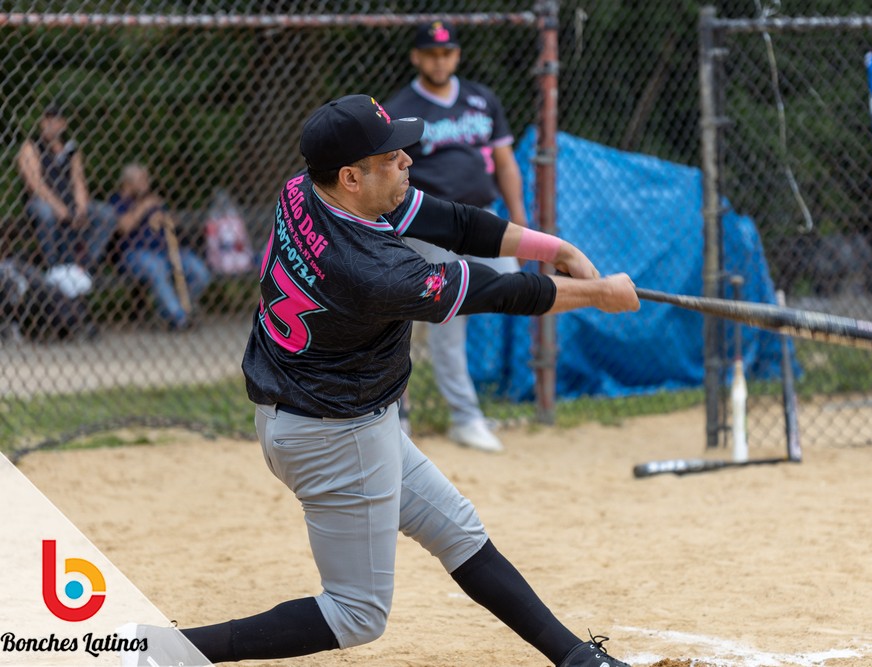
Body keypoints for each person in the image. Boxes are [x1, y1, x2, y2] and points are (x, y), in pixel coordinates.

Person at [119, 94, 636, 667]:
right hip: (335, 435)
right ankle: (165, 651)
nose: (408, 161)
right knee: (357, 613)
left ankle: (575, 658)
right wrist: (599, 294)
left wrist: (556, 248)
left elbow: (454, 222)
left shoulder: (303, 190)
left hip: (318, 414)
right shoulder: (375, 269)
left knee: (458, 531)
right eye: (391, 157)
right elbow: (499, 291)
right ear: (351, 176)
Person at [383, 20, 530, 453]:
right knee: (446, 320)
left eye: (446, 53)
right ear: (416, 57)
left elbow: (505, 163)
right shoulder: (400, 108)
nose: (439, 61)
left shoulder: (482, 99)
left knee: (518, 287)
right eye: (431, 53)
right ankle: (462, 417)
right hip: (431, 227)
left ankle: (492, 396)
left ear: (457, 55)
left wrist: (521, 222)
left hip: (483, 219)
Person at [16, 103, 117, 276]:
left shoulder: (71, 150)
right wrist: (58, 207)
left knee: (106, 214)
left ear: (63, 124)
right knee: (45, 212)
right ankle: (53, 267)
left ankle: (84, 267)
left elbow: (78, 181)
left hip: (69, 200)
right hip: (42, 201)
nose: (49, 124)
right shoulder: (31, 146)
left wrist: (81, 208)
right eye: (47, 120)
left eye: (55, 120)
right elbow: (34, 183)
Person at [109, 163, 211, 330]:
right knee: (156, 267)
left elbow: (174, 222)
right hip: (136, 253)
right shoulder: (118, 201)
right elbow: (124, 226)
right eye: (142, 180)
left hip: (167, 251)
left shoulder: (154, 199)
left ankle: (175, 309)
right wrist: (144, 208)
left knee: (200, 272)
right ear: (127, 183)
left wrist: (163, 218)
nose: (147, 183)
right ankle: (179, 318)